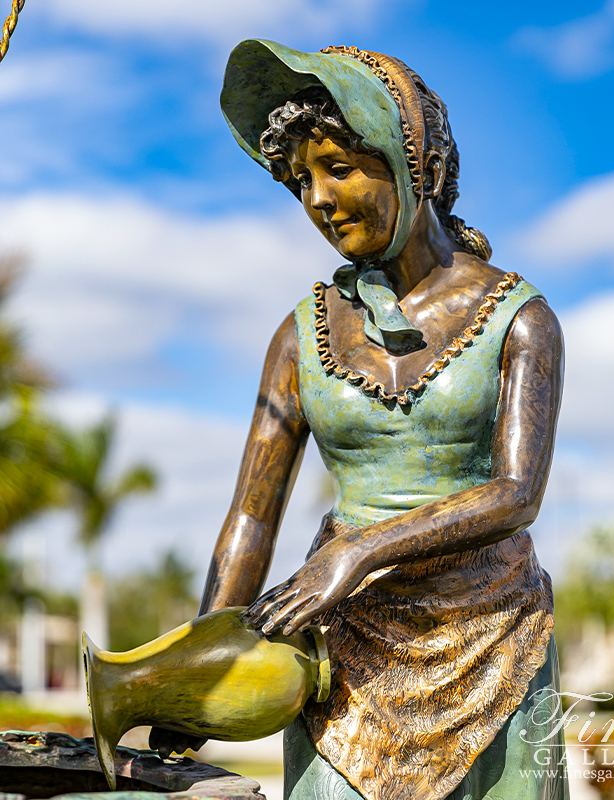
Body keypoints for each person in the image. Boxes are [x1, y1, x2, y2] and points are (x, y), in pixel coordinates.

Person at [154, 41, 568, 800]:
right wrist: (196, 668)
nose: (316, 198)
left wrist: (355, 555)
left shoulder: (521, 320)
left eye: (337, 168)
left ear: (418, 168)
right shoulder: (301, 334)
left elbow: (515, 493)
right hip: (343, 655)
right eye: (299, 180)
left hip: (496, 643)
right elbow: (252, 517)